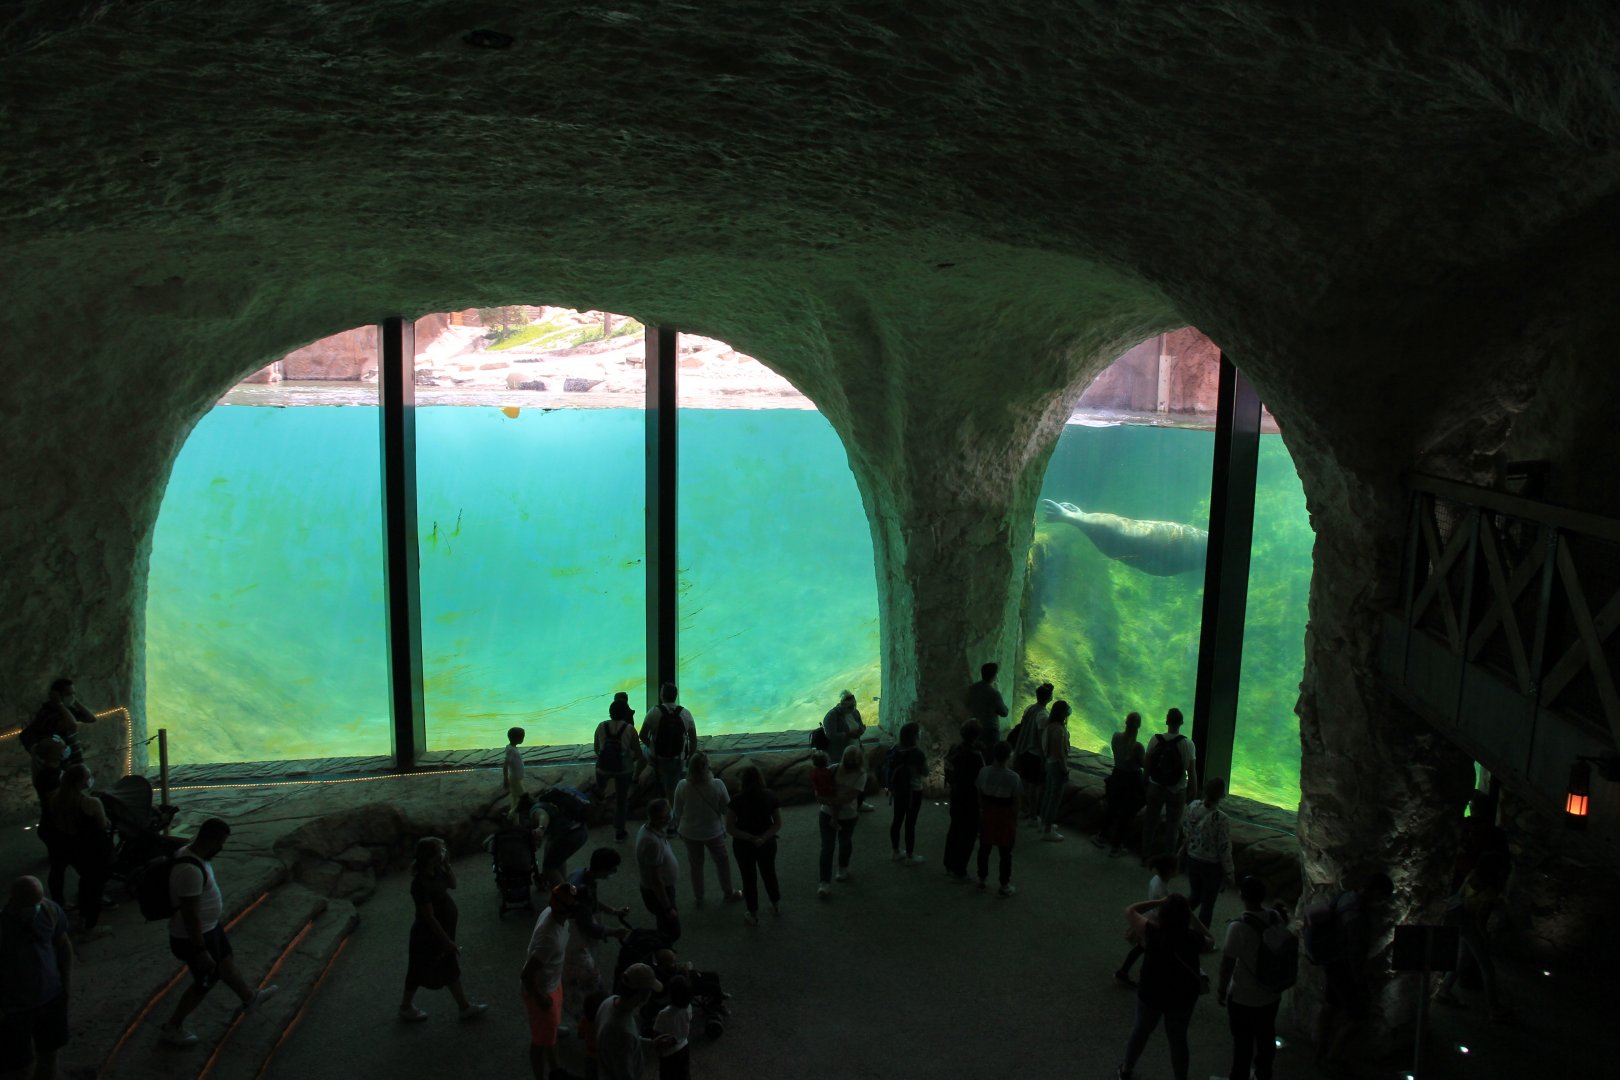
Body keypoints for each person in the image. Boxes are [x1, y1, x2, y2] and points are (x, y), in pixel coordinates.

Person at [158, 818, 279, 1047]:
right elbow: (190, 914)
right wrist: (200, 949)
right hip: (195, 937)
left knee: (225, 961)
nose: (222, 848)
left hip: (210, 928)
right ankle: (173, 1027)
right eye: (220, 843)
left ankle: (249, 998)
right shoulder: (188, 870)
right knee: (205, 981)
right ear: (211, 840)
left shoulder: (194, 856)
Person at [1117, 893, 1215, 1080]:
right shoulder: (1193, 938)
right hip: (1182, 996)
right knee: (1178, 1040)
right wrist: (1192, 916)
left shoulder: (1151, 932)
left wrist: (1159, 902)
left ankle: (1126, 1069)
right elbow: (1211, 940)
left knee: (1141, 1030)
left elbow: (1130, 910)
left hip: (1151, 992)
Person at [1311, 870, 1394, 1069]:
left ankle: (1319, 1049)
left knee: (1329, 1006)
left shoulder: (1344, 896)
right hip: (1344, 970)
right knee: (1358, 1018)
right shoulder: (1358, 919)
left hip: (1331, 961)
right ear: (1374, 892)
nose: (1382, 902)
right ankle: (1332, 1059)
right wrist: (1361, 983)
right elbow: (1355, 956)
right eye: (1382, 897)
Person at [399, 836, 488, 1023]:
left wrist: (447, 865)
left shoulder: (438, 869)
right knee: (418, 970)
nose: (445, 852)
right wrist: (446, 940)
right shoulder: (420, 884)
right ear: (431, 856)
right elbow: (428, 917)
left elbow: (453, 885)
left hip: (443, 929)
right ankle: (406, 1007)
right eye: (441, 850)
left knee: (446, 966)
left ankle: (463, 1006)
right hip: (428, 934)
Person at [0, 875, 73, 1080]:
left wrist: (65, 986)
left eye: (37, 903)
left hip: (51, 1000)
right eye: (29, 904)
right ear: (13, 900)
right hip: (14, 1010)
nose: (35, 908)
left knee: (49, 1057)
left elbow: (64, 947)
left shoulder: (49, 911)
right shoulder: (3, 927)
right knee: (19, 1068)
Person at [1433, 849, 1512, 1022]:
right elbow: (1480, 917)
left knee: (1462, 958)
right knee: (1487, 967)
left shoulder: (1472, 876)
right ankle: (1495, 1008)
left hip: (1459, 919)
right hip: (1470, 925)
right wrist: (1484, 936)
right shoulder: (1490, 891)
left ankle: (1443, 990)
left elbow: (1460, 896)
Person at [1218, 876, 1285, 1080]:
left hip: (1243, 997)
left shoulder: (1238, 927)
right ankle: (1264, 1074)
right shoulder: (1276, 917)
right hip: (1271, 992)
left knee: (1243, 1042)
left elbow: (1228, 962)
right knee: (1266, 1037)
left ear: (1241, 895)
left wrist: (1221, 989)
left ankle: (1239, 1076)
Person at [521, 882, 581, 1080]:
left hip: (552, 984)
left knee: (549, 1032)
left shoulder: (550, 911)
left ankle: (555, 1068)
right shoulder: (549, 938)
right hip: (542, 991)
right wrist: (540, 998)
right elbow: (527, 974)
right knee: (539, 1041)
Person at [565, 850, 632, 1027]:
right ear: (603, 869)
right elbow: (589, 927)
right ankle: (590, 1019)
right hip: (573, 943)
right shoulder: (583, 890)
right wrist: (615, 932)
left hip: (569, 936)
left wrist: (613, 911)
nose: (614, 872)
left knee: (574, 983)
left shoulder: (579, 874)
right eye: (612, 869)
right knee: (592, 983)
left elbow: (593, 902)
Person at [45, 765, 112, 938]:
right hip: (90, 850)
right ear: (81, 782)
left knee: (86, 882)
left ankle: (80, 915)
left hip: (67, 846)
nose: (90, 778)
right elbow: (103, 825)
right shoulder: (91, 803)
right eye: (88, 776)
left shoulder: (54, 798)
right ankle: (89, 926)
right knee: (93, 885)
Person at [671, 753, 738, 908]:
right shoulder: (718, 784)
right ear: (707, 766)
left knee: (696, 865)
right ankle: (728, 892)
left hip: (689, 833)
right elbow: (726, 810)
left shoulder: (682, 785)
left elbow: (677, 812)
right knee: (722, 862)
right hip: (713, 832)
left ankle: (699, 897)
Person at [595, 964, 675, 1080]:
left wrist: (651, 1044)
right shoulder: (622, 1031)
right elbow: (624, 1074)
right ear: (643, 995)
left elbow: (626, 1044)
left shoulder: (609, 1002)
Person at [724, 764, 782, 925]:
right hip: (767, 843)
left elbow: (729, 827)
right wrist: (763, 838)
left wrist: (750, 838)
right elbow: (777, 823)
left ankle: (753, 912)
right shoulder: (770, 796)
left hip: (744, 846)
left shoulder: (736, 801)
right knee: (769, 873)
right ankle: (775, 904)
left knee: (748, 878)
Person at [1141, 708, 1197, 862]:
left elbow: (1147, 764)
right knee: (1173, 827)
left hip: (1155, 786)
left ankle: (1145, 855)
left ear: (1167, 721)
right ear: (1181, 723)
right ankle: (1168, 860)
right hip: (1177, 791)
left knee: (1150, 822)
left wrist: (1145, 783)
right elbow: (1192, 772)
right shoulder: (1188, 744)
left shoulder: (1155, 739)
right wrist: (1193, 791)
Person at [1180, 777, 1235, 930]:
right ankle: (1202, 939)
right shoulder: (1221, 819)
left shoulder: (1193, 806)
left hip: (1192, 859)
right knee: (1208, 903)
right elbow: (1224, 848)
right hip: (1211, 866)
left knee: (1195, 895)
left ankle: (1177, 920)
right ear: (1223, 795)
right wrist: (1230, 872)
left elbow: (1185, 828)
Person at [1116, 856, 1179, 986]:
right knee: (1147, 950)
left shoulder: (1156, 880)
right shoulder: (1163, 890)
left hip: (1149, 916)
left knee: (1141, 948)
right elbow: (1163, 911)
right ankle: (1134, 975)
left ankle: (1124, 971)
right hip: (1155, 922)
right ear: (1170, 871)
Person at [818, 744, 867, 898]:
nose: (849, 761)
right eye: (847, 758)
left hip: (848, 815)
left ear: (858, 761)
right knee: (827, 847)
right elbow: (818, 791)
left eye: (852, 759)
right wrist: (825, 798)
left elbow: (848, 798)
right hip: (826, 814)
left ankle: (843, 867)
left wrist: (827, 799)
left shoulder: (861, 775)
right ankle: (824, 883)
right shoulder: (832, 769)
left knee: (845, 842)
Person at [595, 695, 644, 841]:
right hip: (623, 769)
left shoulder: (601, 725)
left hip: (603, 768)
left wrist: (607, 758)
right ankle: (620, 831)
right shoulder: (630, 729)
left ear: (610, 712)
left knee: (599, 790)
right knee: (622, 800)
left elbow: (597, 749)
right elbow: (638, 753)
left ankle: (598, 801)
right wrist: (627, 759)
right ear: (626, 714)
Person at [975, 741, 1021, 897]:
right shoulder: (1014, 778)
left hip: (988, 816)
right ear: (1008, 757)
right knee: (1005, 854)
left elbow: (979, 795)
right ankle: (1004, 885)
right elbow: (1016, 803)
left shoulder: (983, 772)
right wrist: (1015, 821)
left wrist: (983, 810)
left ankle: (982, 879)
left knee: (984, 849)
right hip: (1005, 819)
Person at [941, 721, 985, 883]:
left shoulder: (954, 748)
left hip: (956, 793)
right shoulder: (975, 756)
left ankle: (948, 864)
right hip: (970, 797)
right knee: (968, 834)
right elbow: (980, 778)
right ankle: (960, 870)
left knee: (955, 829)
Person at [641, 683, 697, 809]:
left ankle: (639, 776)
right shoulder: (685, 713)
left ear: (661, 696)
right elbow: (693, 740)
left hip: (658, 757)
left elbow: (642, 735)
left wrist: (652, 747)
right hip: (678, 758)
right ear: (676, 696)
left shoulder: (654, 711)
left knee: (641, 750)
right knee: (673, 786)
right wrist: (689, 758)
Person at [1098, 713, 1147, 854]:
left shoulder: (1116, 737)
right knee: (1127, 813)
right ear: (1139, 726)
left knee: (1112, 807)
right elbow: (1143, 764)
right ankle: (1116, 846)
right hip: (1132, 781)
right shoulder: (1138, 747)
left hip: (1117, 775)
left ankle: (1102, 836)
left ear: (1125, 722)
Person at [635, 800, 681, 943]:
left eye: (669, 813)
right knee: (671, 932)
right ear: (654, 818)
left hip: (661, 889)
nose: (668, 818)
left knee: (665, 927)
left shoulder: (648, 829)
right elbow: (655, 879)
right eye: (664, 816)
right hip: (659, 893)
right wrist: (667, 907)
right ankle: (665, 959)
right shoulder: (652, 843)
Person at [28, 679, 98, 768]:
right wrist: (59, 703)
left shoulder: (68, 710)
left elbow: (91, 719)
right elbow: (72, 725)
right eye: (68, 694)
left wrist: (75, 701)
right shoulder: (47, 713)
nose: (72, 696)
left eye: (73, 693)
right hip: (62, 764)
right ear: (57, 695)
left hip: (75, 761)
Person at [886, 722, 928, 865]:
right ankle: (910, 855)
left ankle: (895, 851)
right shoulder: (918, 753)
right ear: (915, 736)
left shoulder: (895, 749)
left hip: (898, 790)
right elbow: (926, 772)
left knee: (897, 820)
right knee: (910, 823)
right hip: (914, 792)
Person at [1013, 683, 1053, 823]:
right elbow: (1042, 738)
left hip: (1024, 750)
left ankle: (1023, 809)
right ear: (1050, 698)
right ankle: (1033, 814)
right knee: (1034, 786)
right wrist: (1044, 757)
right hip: (1035, 755)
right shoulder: (1043, 715)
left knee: (1024, 783)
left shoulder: (1029, 708)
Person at [1039, 700, 1072, 841]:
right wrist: (1064, 769)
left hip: (1049, 763)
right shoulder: (1059, 730)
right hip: (1057, 766)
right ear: (1062, 713)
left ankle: (1044, 822)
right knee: (1055, 799)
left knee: (1048, 794)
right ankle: (1047, 830)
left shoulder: (1049, 725)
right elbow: (1060, 753)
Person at [651, 975, 692, 1080]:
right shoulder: (689, 1007)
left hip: (669, 1053)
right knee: (684, 1073)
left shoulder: (664, 1014)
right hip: (684, 1045)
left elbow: (656, 1033)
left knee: (667, 1075)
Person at [965, 662, 1009, 751]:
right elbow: (1004, 712)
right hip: (990, 730)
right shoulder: (994, 693)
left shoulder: (973, 688)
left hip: (975, 728)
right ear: (994, 676)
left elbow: (967, 704)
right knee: (990, 756)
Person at [505, 727, 528, 820]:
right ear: (517, 738)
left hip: (517, 778)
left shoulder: (511, 748)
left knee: (515, 799)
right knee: (523, 799)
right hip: (515, 779)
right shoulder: (511, 750)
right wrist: (505, 778)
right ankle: (510, 817)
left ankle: (515, 822)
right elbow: (505, 765)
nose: (523, 738)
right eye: (522, 737)